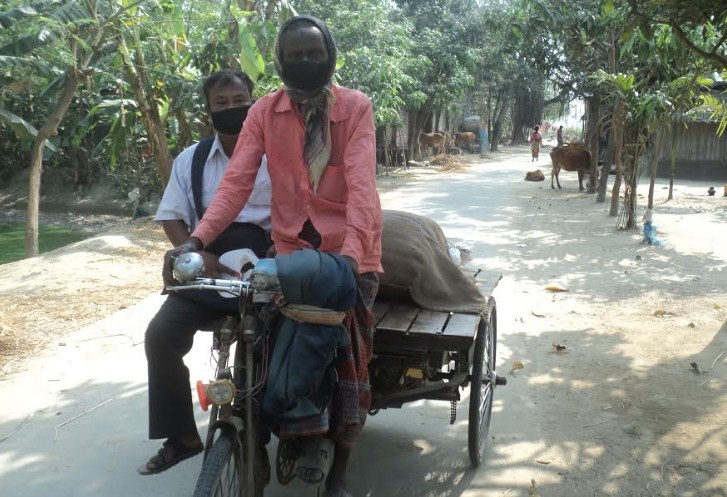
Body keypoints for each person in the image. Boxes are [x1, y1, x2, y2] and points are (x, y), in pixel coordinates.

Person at [165, 15, 382, 497]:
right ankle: (266, 437)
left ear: (330, 56)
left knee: (349, 359)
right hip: (290, 252)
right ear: (280, 62)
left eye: (314, 53)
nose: (305, 61)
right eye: (295, 55)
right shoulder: (264, 112)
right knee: (260, 346)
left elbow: (362, 187)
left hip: (348, 253)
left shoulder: (355, 107)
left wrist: (350, 256)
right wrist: (196, 241)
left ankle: (340, 467)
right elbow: (235, 184)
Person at [138, 69, 272, 475]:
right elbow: (172, 216)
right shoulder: (191, 160)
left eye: (240, 101)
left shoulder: (277, 155)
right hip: (208, 267)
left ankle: (269, 432)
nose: (232, 109)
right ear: (208, 110)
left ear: (254, 102)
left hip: (266, 269)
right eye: (221, 103)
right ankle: (182, 436)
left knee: (275, 341)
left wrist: (277, 257)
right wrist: (198, 253)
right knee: (161, 335)